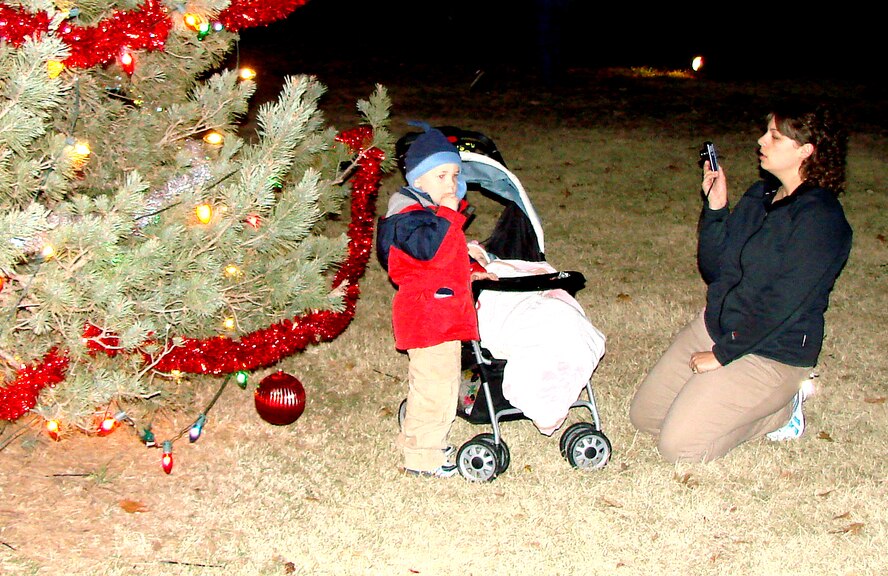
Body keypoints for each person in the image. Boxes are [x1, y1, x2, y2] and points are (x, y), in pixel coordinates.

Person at [629, 103, 852, 463]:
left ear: (806, 150)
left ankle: (782, 411)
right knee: (646, 417)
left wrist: (723, 355)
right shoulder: (760, 196)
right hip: (717, 327)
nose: (761, 140)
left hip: (768, 351)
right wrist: (717, 210)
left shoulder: (820, 221)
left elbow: (781, 306)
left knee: (679, 448)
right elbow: (715, 269)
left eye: (775, 136)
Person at [377, 124, 496, 477]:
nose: (449, 182)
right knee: (435, 389)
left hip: (441, 316)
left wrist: (472, 267)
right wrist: (447, 213)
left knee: (439, 385)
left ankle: (421, 441)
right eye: (440, 174)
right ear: (417, 179)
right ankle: (422, 456)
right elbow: (429, 249)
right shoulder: (408, 219)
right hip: (428, 319)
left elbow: (446, 256)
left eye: (455, 174)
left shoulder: (430, 216)